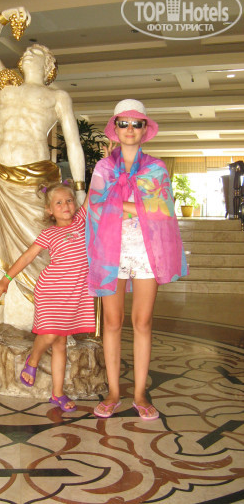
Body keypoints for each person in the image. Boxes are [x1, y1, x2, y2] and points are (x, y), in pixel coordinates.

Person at [0, 6, 86, 333]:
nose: (27, 53)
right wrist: (3, 17)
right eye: (26, 51)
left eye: (36, 52)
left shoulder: (57, 96)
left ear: (49, 65)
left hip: (36, 180)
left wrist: (80, 188)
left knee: (40, 248)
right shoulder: (7, 86)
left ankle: (51, 315)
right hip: (0, 175)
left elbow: (74, 143)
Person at [86, 99, 188, 421]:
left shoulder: (156, 168)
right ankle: (114, 393)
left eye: (136, 124)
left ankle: (140, 393)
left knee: (143, 322)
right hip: (110, 251)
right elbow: (94, 207)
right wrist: (139, 207)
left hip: (146, 250)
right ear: (115, 129)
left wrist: (119, 205)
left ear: (145, 129)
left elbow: (163, 210)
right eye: (123, 123)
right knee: (112, 323)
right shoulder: (104, 169)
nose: (130, 129)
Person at [0, 180, 95, 411]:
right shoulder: (49, 233)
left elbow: (94, 192)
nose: (65, 205)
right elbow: (27, 257)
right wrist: (6, 279)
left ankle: (57, 394)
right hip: (50, 291)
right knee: (49, 335)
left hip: (73, 295)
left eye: (69, 200)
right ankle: (34, 359)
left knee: (60, 343)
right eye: (58, 203)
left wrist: (105, 165)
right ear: (49, 210)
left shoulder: (81, 221)